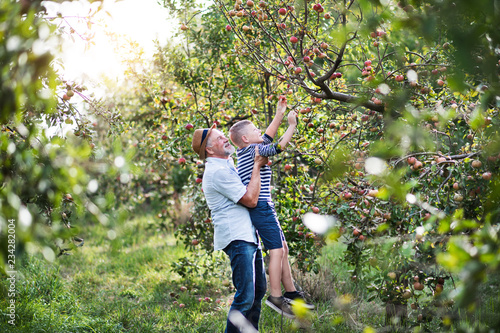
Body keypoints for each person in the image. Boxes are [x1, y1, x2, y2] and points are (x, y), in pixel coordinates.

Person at [228, 96, 313, 319]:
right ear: (246, 138)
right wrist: (291, 125)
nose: (261, 132)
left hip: (265, 207)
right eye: (255, 129)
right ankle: (276, 296)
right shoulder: (255, 151)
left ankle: (292, 293)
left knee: (282, 247)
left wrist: (279, 113)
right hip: (262, 208)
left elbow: (266, 137)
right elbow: (278, 146)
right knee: (276, 250)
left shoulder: (246, 150)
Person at [192, 124, 269, 333]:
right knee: (245, 297)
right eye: (219, 138)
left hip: (248, 235)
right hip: (237, 238)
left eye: (224, 136)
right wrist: (256, 165)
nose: (226, 139)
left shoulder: (227, 163)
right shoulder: (217, 172)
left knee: (259, 290)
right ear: (209, 150)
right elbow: (251, 200)